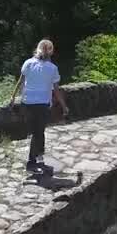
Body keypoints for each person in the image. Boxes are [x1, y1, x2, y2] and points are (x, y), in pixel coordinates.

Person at [10, 39, 69, 172]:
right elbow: (56, 90)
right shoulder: (52, 68)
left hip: (27, 102)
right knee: (38, 132)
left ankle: (40, 154)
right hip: (42, 104)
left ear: (37, 49)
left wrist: (13, 97)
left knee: (38, 131)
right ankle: (31, 162)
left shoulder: (28, 63)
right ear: (51, 52)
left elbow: (20, 81)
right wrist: (63, 106)